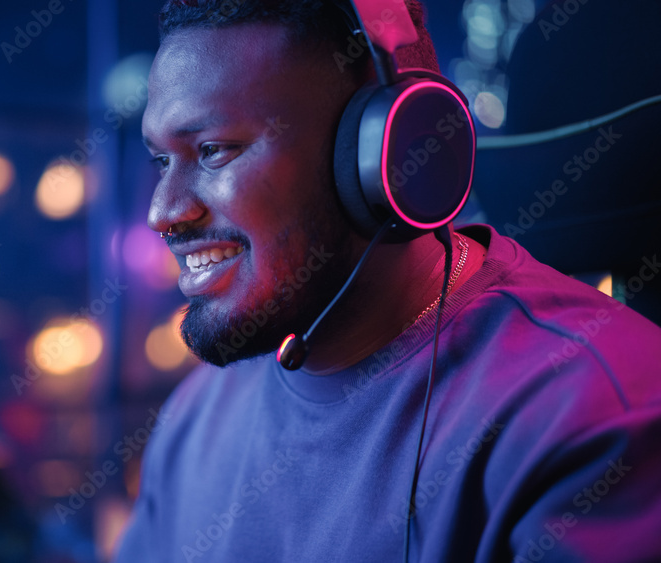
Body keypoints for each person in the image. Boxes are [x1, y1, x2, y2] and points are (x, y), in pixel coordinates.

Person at [113, 0, 661, 561]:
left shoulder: (593, 415)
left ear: (390, 152)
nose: (163, 212)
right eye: (161, 161)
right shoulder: (194, 421)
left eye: (211, 151)